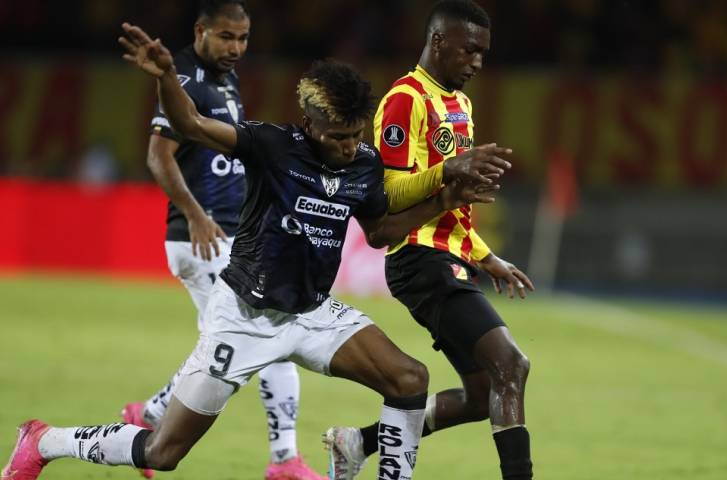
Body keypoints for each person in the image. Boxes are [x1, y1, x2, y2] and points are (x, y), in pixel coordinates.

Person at [1, 21, 500, 480]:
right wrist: (167, 78)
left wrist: (445, 200)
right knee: (162, 453)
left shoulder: (363, 163)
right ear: (310, 125)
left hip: (311, 313)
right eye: (340, 138)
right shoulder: (271, 145)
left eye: (356, 135)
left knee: (409, 379)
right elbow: (193, 125)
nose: (351, 147)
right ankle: (45, 441)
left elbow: (379, 233)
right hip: (244, 317)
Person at [324, 2, 535, 480]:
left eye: (483, 53)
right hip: (418, 258)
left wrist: (486, 256)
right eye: (470, 51)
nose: (477, 62)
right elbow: (388, 195)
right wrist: (449, 170)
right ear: (439, 42)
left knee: (482, 397)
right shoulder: (406, 99)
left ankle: (358, 442)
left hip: (449, 257)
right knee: (511, 364)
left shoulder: (461, 106)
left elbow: (454, 203)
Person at [124, 2, 322, 479]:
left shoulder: (225, 79)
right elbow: (158, 155)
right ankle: (285, 462)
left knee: (229, 348)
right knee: (269, 336)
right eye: (227, 37)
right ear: (201, 31)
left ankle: (146, 417)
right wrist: (196, 216)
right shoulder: (184, 78)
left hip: (231, 233)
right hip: (203, 238)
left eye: (244, 38)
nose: (237, 47)